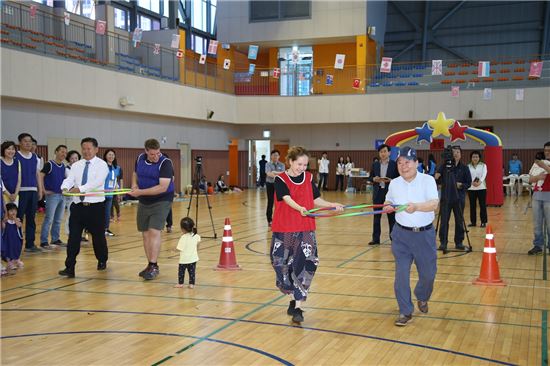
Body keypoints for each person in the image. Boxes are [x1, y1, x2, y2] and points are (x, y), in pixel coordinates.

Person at [271, 146, 343, 323]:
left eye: (305, 165)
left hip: (305, 228)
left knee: (305, 265)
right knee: (280, 264)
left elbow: (315, 199)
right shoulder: (280, 179)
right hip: (284, 229)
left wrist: (331, 205)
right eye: (299, 164)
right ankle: (292, 295)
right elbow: (286, 198)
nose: (303, 168)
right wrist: (300, 208)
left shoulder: (309, 178)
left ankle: (298, 307)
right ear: (290, 162)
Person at [384, 146, 439, 326]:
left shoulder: (427, 180)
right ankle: (405, 311)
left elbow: (433, 204)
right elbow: (388, 201)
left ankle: (422, 296)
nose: (403, 166)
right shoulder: (394, 183)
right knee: (401, 276)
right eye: (400, 162)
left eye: (407, 162)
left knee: (428, 275)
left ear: (416, 163)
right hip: (401, 236)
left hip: (424, 235)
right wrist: (387, 206)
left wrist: (416, 207)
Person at [59, 137, 109, 278]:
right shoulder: (77, 165)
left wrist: (80, 189)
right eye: (84, 149)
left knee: (98, 237)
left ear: (96, 149)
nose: (86, 151)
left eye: (89, 148)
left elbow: (96, 182)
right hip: (78, 207)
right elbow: (69, 179)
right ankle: (70, 267)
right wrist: (65, 187)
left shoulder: (102, 165)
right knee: (73, 237)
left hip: (96, 207)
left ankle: (102, 260)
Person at [129, 138, 175, 280]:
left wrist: (140, 192)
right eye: (152, 154)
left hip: (162, 200)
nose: (155, 156)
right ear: (146, 151)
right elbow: (135, 173)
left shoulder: (165, 163)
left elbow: (162, 187)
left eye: (157, 153)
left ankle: (154, 265)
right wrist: (134, 185)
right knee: (145, 233)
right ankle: (150, 264)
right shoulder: (140, 158)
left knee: (154, 231)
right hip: (144, 201)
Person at [435, 146, 472, 251]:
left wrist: (460, 185)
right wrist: (437, 178)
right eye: (453, 152)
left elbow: (468, 183)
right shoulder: (443, 166)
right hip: (446, 197)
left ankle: (459, 242)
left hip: (459, 198)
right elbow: (437, 179)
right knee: (444, 221)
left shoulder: (465, 168)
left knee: (459, 221)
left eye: (457, 152)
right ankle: (443, 243)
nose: (455, 154)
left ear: (460, 154)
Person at [15, 133, 43, 253]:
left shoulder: (35, 157)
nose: (28, 143)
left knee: (31, 218)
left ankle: (30, 244)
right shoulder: (15, 156)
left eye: (30, 141)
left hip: (32, 191)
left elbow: (37, 175)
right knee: (18, 218)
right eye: (25, 141)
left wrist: (40, 189)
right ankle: (16, 244)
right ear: (20, 143)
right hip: (20, 192)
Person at [369, 144, 399, 245]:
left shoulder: (394, 164)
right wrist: (374, 179)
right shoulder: (375, 164)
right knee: (376, 218)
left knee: (391, 218)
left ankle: (393, 239)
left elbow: (399, 179)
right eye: (381, 152)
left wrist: (391, 180)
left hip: (390, 194)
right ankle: (375, 239)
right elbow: (370, 177)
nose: (383, 154)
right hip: (378, 193)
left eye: (385, 151)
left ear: (389, 153)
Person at [39, 144, 68, 249]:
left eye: (65, 152)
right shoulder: (49, 164)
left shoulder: (63, 166)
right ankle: (44, 241)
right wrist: (43, 190)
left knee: (58, 219)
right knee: (49, 219)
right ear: (56, 152)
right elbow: (41, 175)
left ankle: (55, 239)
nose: (63, 154)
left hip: (62, 195)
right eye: (61, 151)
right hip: (52, 196)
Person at [527, 141, 550, 255]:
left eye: (549, 151)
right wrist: (538, 177)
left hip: (549, 197)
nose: (547, 153)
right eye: (545, 150)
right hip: (536, 196)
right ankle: (538, 245)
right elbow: (530, 179)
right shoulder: (537, 163)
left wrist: (544, 166)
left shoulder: (542, 163)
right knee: (537, 223)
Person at [174, 217, 201, 289]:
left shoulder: (183, 237)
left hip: (184, 260)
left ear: (183, 229)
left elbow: (179, 248)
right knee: (192, 272)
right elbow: (198, 243)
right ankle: (191, 284)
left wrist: (173, 250)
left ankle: (180, 283)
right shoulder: (196, 235)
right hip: (193, 259)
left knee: (181, 272)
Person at [64, 150, 84, 243]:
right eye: (72, 158)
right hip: (71, 196)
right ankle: (69, 234)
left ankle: (80, 234)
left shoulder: (81, 168)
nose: (74, 160)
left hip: (81, 196)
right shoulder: (67, 169)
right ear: (69, 159)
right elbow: (69, 182)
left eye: (76, 158)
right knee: (70, 215)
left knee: (81, 216)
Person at [103, 149, 122, 237]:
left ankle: (106, 229)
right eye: (109, 155)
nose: (111, 156)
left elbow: (115, 181)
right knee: (99, 213)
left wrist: (117, 192)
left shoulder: (117, 168)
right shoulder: (102, 166)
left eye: (112, 155)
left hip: (110, 194)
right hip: (101, 194)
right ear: (105, 156)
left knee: (107, 213)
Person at [467, 151, 488, 228]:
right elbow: (467, 175)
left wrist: (480, 182)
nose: (475, 158)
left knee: (482, 205)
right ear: (471, 158)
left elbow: (484, 174)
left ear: (479, 158)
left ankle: (483, 222)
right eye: (473, 157)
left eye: (476, 157)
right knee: (472, 206)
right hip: (471, 188)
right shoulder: (468, 166)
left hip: (481, 188)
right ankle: (473, 222)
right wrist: (472, 182)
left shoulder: (483, 165)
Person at [1, 203, 24, 272]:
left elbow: (19, 225)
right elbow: (3, 227)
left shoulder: (18, 220)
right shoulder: (5, 221)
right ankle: (9, 263)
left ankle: (16, 260)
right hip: (7, 239)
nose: (13, 212)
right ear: (7, 212)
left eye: (15, 210)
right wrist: (4, 220)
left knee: (16, 249)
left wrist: (14, 218)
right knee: (8, 250)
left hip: (16, 239)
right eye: (11, 211)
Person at [265, 149, 285, 227]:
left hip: (279, 185)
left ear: (279, 156)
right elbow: (268, 173)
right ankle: (269, 220)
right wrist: (277, 174)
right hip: (270, 184)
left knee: (280, 202)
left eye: (277, 155)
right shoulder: (268, 164)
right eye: (274, 155)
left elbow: (283, 174)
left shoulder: (282, 165)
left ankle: (279, 219)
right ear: (271, 156)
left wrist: (274, 172)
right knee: (270, 202)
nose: (275, 157)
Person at [1, 141, 21, 206]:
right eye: (8, 149)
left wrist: (15, 194)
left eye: (13, 149)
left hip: (14, 196)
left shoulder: (17, 162)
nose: (11, 151)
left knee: (13, 215)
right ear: (3, 150)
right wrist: (9, 195)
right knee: (4, 215)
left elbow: (19, 180)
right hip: (2, 195)